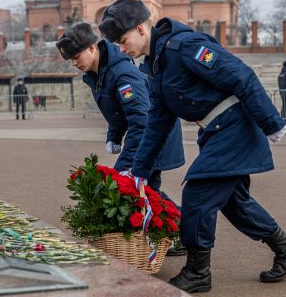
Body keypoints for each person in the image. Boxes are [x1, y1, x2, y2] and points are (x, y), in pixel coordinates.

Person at [98, 0, 286, 293]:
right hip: (214, 132)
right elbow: (157, 122)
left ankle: (197, 271)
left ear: (141, 29)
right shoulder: (155, 67)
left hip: (234, 127)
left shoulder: (183, 47)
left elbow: (240, 75)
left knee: (197, 194)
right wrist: (139, 171)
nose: (120, 48)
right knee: (234, 202)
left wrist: (270, 121)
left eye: (122, 40)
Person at [56, 22, 187, 255]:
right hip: (145, 135)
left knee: (139, 188)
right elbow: (115, 111)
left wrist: (126, 163)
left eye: (77, 56)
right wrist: (114, 135)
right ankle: (179, 232)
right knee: (147, 190)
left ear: (93, 48)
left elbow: (141, 120)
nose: (75, 63)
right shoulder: (97, 73)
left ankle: (183, 231)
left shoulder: (122, 72)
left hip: (156, 136)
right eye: (70, 59)